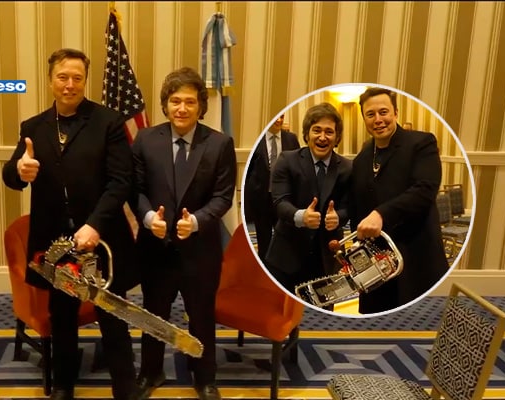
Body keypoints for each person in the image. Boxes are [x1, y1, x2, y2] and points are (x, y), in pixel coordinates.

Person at [2, 48, 139, 400]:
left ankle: (125, 388)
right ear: (50, 80)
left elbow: (121, 182)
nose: (70, 84)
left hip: (101, 238)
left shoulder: (108, 122)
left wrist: (94, 225)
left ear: (85, 81)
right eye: (63, 77)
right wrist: (19, 170)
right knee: (62, 315)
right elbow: (12, 175)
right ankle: (63, 386)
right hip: (55, 243)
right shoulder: (33, 127)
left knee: (112, 315)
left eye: (77, 78)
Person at [131, 67, 237, 400]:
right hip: (156, 247)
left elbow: (223, 196)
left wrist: (198, 221)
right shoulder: (145, 139)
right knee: (153, 315)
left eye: (190, 102)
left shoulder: (219, 143)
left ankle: (204, 377)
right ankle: (151, 372)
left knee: (201, 316)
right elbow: (135, 189)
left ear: (201, 106)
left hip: (200, 250)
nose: (182, 108)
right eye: (175, 101)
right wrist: (148, 217)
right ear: (165, 104)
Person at [350, 87, 449, 314]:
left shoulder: (421, 143)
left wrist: (381, 214)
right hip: (377, 262)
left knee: (418, 321)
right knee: (376, 320)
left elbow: (424, 190)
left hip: (416, 256)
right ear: (364, 119)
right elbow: (357, 206)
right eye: (370, 114)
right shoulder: (362, 159)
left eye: (383, 112)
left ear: (395, 112)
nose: (378, 119)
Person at [265, 103, 352, 301]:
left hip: (328, 258)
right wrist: (301, 216)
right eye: (317, 130)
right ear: (307, 134)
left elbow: (350, 207)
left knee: (324, 311)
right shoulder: (287, 160)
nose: (322, 137)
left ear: (337, 137)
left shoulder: (347, 168)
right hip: (287, 255)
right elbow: (279, 202)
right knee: (281, 311)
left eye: (329, 132)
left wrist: (339, 217)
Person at [244, 114, 300, 262]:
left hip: (284, 198)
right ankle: (264, 267)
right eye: (276, 117)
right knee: (263, 238)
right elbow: (248, 173)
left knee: (285, 237)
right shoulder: (256, 139)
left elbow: (298, 166)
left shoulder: (291, 139)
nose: (279, 120)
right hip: (261, 198)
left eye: (282, 117)